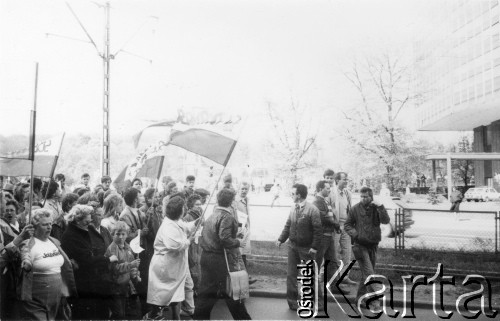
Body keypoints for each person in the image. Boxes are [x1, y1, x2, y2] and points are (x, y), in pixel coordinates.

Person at [193, 189, 251, 320]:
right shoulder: (227, 216)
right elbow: (224, 238)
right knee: (232, 291)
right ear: (231, 202)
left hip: (206, 257)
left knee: (207, 292)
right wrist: (238, 242)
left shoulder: (212, 214)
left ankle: (199, 318)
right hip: (219, 258)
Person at [61, 204, 119, 320]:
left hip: (92, 281)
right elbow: (86, 260)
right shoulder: (71, 236)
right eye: (87, 222)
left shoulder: (83, 230)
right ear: (78, 220)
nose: (89, 224)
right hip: (82, 283)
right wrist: (107, 259)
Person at [19, 209, 77, 320]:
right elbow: (25, 255)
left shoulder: (54, 241)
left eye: (50, 223)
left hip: (57, 298)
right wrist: (26, 263)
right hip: (36, 299)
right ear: (34, 227)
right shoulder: (28, 244)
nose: (49, 227)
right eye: (45, 224)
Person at [148, 196, 196, 320]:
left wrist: (194, 223)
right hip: (165, 267)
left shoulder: (175, 220)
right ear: (179, 210)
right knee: (161, 298)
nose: (185, 209)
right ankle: (151, 316)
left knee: (175, 296)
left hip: (174, 266)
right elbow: (173, 245)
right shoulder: (168, 225)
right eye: (183, 208)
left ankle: (176, 318)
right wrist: (188, 241)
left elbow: (184, 226)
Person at [276, 183, 322, 310]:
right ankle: (292, 302)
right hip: (292, 246)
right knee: (291, 275)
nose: (291, 195)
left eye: (293, 193)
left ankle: (319, 302)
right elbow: (288, 225)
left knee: (309, 275)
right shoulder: (293, 208)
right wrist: (281, 239)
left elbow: (318, 231)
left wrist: (314, 247)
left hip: (306, 248)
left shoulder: (312, 210)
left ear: (299, 195)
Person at [344, 187, 390, 311]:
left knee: (366, 274)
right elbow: (347, 225)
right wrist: (356, 234)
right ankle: (374, 303)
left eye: (366, 197)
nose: (363, 199)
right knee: (369, 274)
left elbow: (386, 221)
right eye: (361, 196)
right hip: (360, 246)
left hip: (373, 245)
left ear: (371, 197)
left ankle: (359, 299)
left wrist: (381, 207)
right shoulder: (355, 209)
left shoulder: (376, 208)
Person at [312, 180, 343, 303]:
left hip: (328, 236)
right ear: (320, 189)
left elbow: (330, 216)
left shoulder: (324, 200)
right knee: (317, 263)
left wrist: (335, 225)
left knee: (333, 261)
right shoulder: (317, 201)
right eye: (327, 188)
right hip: (322, 237)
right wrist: (336, 225)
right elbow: (324, 217)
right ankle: (314, 291)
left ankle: (334, 286)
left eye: (330, 188)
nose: (329, 190)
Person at [105, 221, 142, 320]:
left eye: (123, 234)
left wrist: (135, 273)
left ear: (127, 235)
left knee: (125, 312)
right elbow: (114, 268)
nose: (120, 237)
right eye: (117, 234)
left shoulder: (128, 247)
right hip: (115, 285)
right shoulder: (112, 249)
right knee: (119, 313)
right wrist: (131, 265)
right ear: (112, 234)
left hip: (125, 285)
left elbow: (132, 264)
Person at [329, 172, 357, 285]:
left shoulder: (347, 193)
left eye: (347, 179)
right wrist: (334, 223)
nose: (346, 181)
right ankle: (330, 277)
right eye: (344, 179)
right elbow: (329, 210)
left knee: (347, 252)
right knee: (333, 253)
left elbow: (350, 209)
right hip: (335, 227)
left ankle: (344, 277)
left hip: (346, 227)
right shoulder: (331, 192)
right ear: (337, 181)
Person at [183, 193, 203, 293]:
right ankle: (193, 290)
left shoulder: (200, 215)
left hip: (199, 245)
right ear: (191, 206)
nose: (199, 207)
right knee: (193, 268)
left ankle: (197, 289)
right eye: (197, 205)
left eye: (200, 204)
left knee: (199, 267)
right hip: (191, 246)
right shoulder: (187, 217)